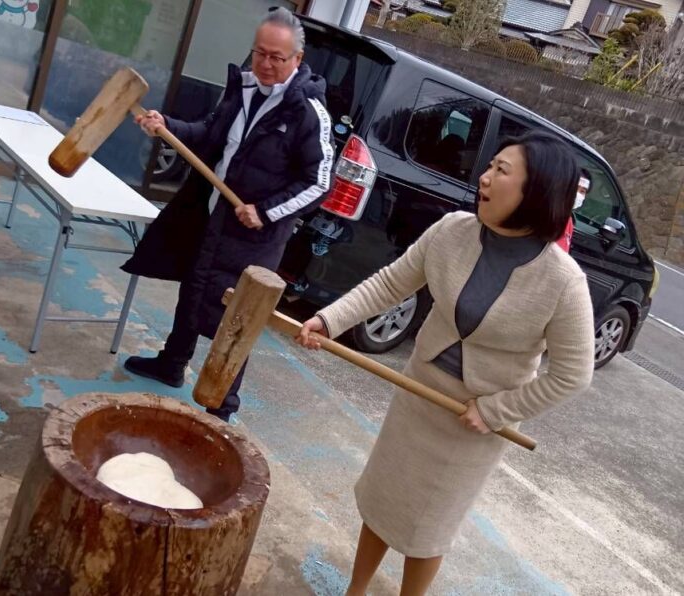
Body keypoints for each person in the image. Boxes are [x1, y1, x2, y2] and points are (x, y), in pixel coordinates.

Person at [296, 131, 595, 595]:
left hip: (472, 423)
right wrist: (329, 320)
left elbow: (573, 374)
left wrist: (496, 411)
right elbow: (390, 283)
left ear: (536, 191)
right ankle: (355, 589)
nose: (485, 178)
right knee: (384, 499)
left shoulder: (563, 281)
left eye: (501, 171)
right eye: (489, 166)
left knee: (428, 527)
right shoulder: (452, 230)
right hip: (419, 393)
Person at [121, 7, 333, 422]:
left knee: (236, 316)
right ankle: (171, 364)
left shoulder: (308, 112)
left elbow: (320, 182)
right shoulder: (243, 89)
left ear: (298, 59)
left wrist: (266, 212)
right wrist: (168, 127)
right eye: (259, 53)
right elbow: (209, 133)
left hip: (254, 237)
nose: (265, 64)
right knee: (193, 289)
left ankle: (222, 405)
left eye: (276, 57)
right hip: (214, 217)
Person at [556, 169, 592, 252]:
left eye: (582, 191)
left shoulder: (569, 222)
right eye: (574, 188)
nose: (577, 194)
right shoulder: (549, 215)